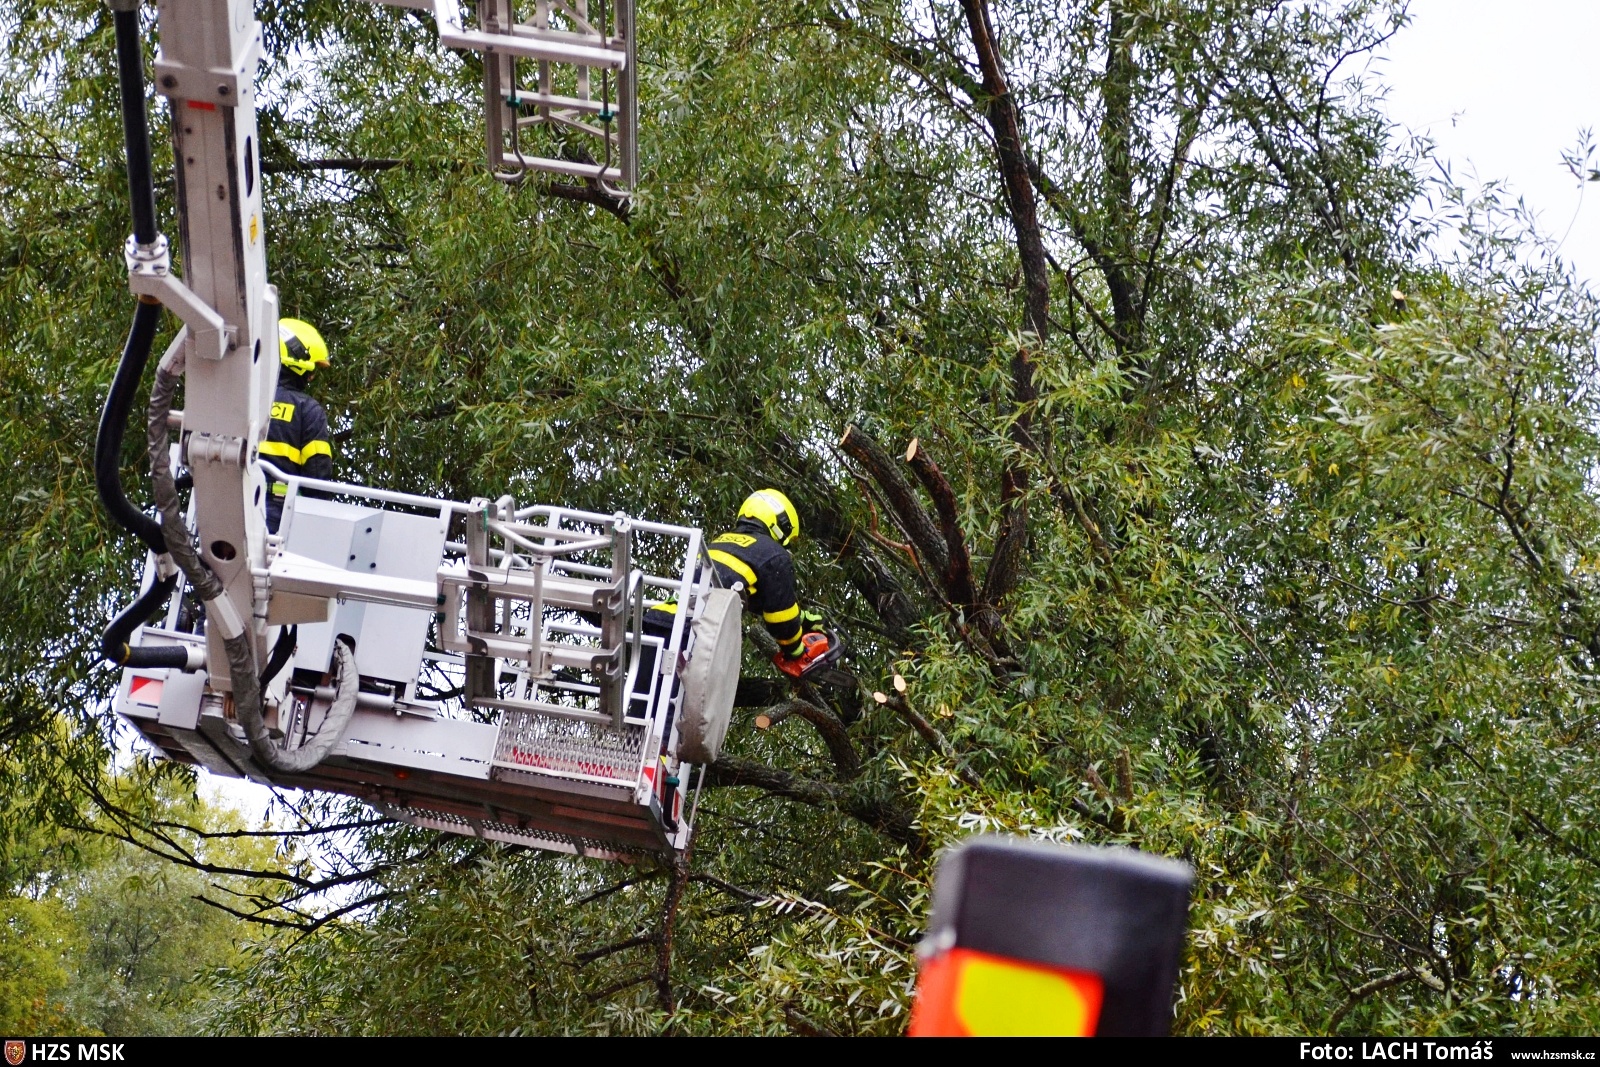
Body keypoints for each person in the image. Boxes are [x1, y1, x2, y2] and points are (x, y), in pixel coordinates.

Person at [643, 489, 830, 679]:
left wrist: (802, 617)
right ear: (780, 524)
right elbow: (782, 622)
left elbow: (760, 600)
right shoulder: (773, 553)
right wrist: (798, 652)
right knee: (678, 705)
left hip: (661, 619)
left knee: (644, 702)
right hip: (691, 631)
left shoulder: (721, 543)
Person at [261, 318, 333, 533]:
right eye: (312, 370)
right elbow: (317, 477)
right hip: (274, 511)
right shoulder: (307, 410)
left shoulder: (241, 397)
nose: (311, 377)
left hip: (224, 504)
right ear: (297, 359)